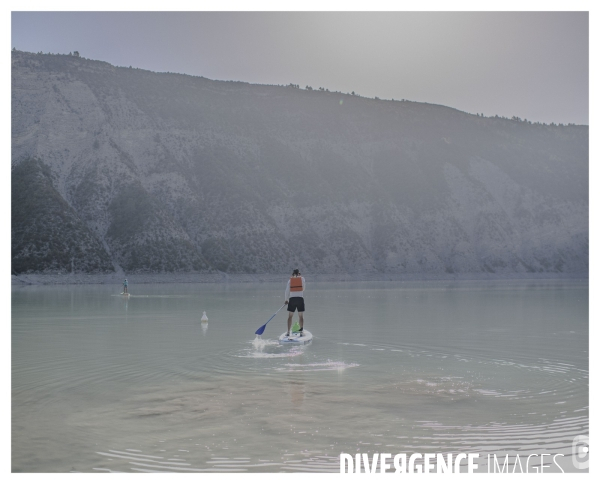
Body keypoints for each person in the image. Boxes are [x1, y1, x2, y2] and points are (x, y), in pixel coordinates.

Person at [284, 269, 305, 337]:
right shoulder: (302, 279)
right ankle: (301, 332)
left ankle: (288, 332)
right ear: (299, 273)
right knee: (301, 316)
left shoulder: (290, 280)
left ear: (293, 274)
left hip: (292, 299)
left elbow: (287, 291)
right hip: (300, 299)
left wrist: (286, 299)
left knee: (290, 316)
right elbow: (303, 288)